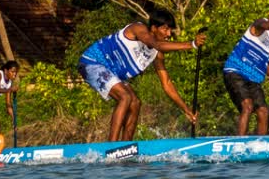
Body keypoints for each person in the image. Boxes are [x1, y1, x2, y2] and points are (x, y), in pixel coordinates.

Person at [78, 10, 207, 141]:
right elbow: (157, 44)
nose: (169, 34)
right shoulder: (138, 28)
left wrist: (186, 109)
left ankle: (125, 148)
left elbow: (167, 84)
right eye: (165, 29)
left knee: (135, 103)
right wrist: (192, 44)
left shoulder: (156, 54)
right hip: (92, 62)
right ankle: (111, 146)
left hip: (112, 73)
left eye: (170, 30)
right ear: (153, 28)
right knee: (125, 96)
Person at [223, 0, 269, 136]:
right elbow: (264, 24)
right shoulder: (261, 23)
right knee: (247, 105)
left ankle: (260, 146)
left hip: (253, 79)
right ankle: (238, 144)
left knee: (263, 112)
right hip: (235, 72)